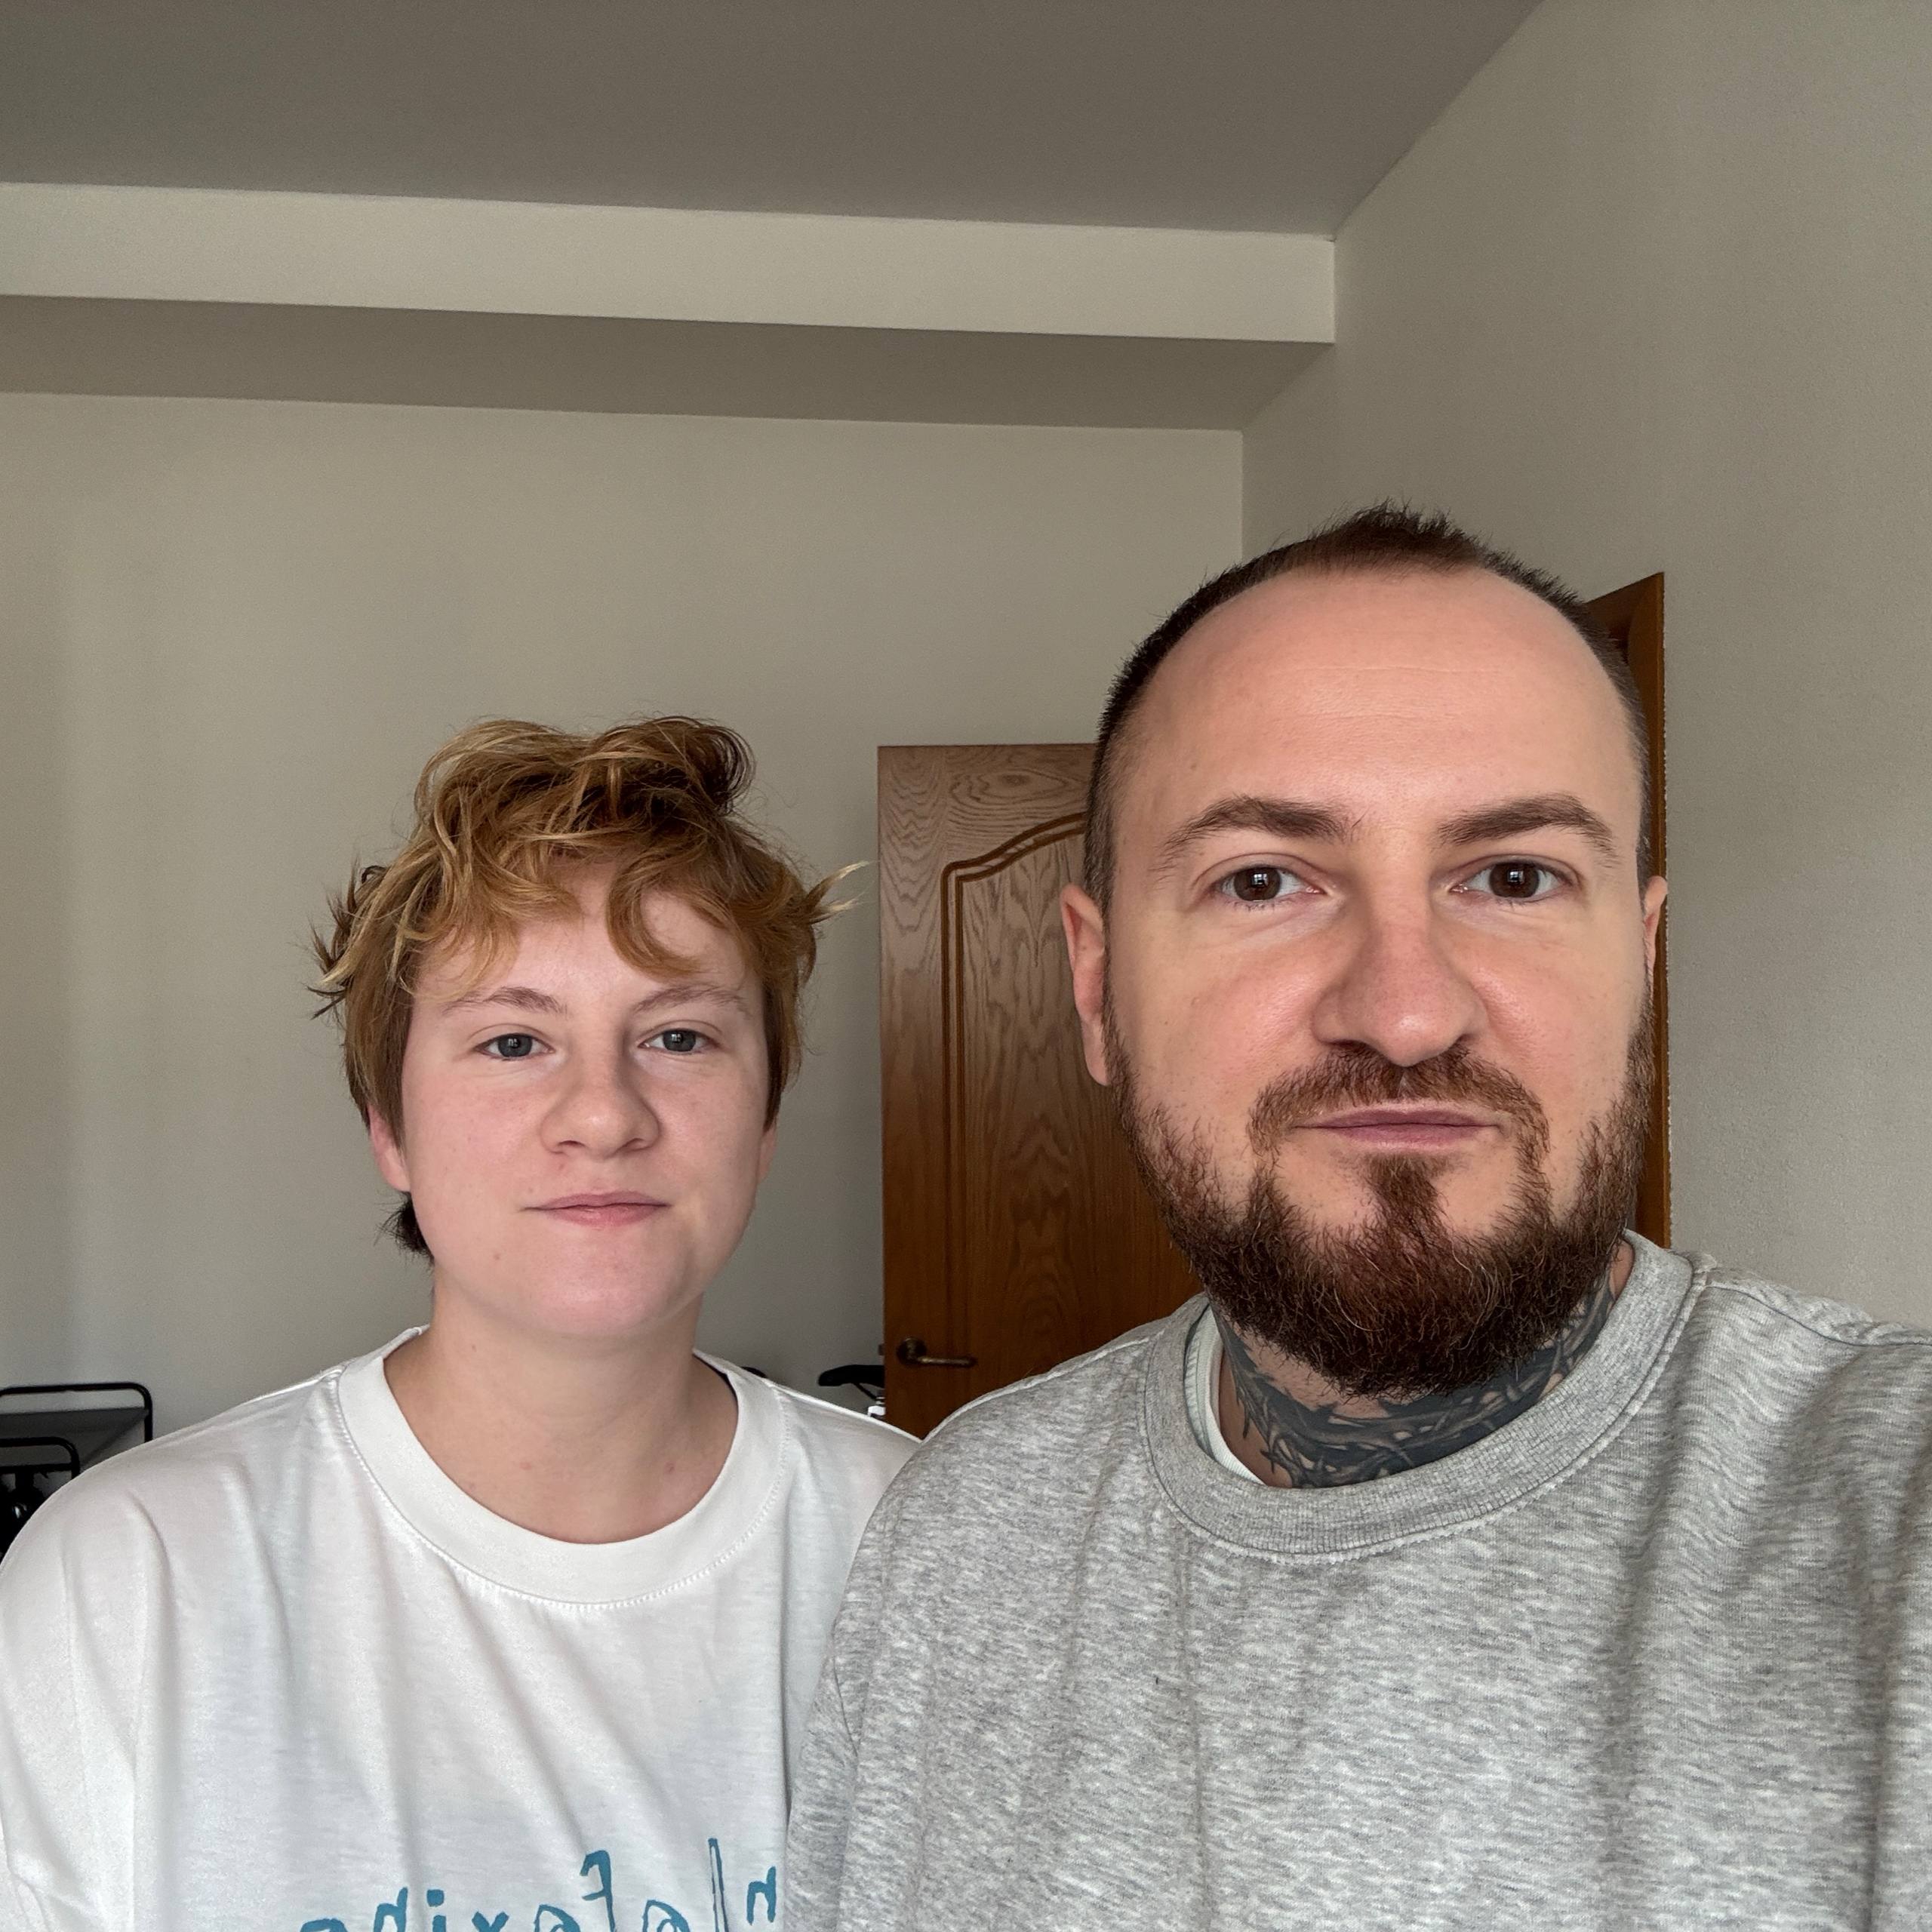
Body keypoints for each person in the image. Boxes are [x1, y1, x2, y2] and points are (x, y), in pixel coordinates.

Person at [785, 506, 1932, 1929]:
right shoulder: (968, 1531)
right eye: (1263, 880)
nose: (1403, 1012)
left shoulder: (1886, 1527)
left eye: (1514, 877)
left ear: (1640, 959)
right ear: (1094, 986)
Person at [0, 716, 912, 1931]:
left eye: (679, 1036)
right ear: (389, 1128)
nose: (605, 1115)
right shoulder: (128, 1580)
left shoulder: (926, 1546)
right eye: (514, 1040)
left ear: (765, 1120)